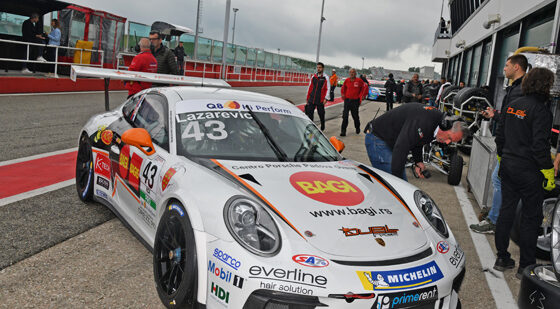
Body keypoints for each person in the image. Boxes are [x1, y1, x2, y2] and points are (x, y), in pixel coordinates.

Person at [493, 67, 555, 279]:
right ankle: (526, 267)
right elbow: (540, 146)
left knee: (506, 211)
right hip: (529, 172)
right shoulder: (541, 110)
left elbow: (499, 136)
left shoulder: (513, 105)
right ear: (545, 85)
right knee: (531, 218)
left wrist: (503, 157)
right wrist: (548, 172)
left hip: (508, 166)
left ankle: (501, 257)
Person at [470, 54, 528, 234]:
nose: (504, 68)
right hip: (508, 147)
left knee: (499, 179)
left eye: (507, 65)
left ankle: (495, 221)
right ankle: (498, 218)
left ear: (517, 67)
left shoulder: (521, 90)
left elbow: (517, 121)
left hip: (512, 148)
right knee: (501, 181)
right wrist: (495, 115)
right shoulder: (516, 88)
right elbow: (511, 117)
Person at [364, 103, 468, 180]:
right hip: (377, 138)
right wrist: (399, 182)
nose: (447, 142)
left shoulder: (436, 125)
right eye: (449, 137)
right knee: (395, 187)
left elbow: (417, 141)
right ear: (445, 125)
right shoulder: (424, 121)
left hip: (390, 141)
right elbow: (401, 148)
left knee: (394, 187)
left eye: (451, 141)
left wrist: (418, 161)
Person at [340, 68, 367, 136]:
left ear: (355, 73)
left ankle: (357, 127)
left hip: (355, 102)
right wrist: (343, 94)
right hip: (347, 101)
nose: (352, 73)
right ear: (349, 73)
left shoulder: (359, 81)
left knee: (355, 116)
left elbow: (365, 87)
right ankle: (343, 131)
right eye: (351, 72)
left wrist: (363, 95)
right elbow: (343, 88)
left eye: (353, 72)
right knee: (345, 116)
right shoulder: (347, 80)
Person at [305, 62, 330, 130]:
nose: (318, 69)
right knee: (310, 113)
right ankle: (311, 127)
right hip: (312, 98)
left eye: (320, 67)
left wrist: (326, 98)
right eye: (317, 67)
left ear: (323, 68)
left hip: (320, 99)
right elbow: (310, 87)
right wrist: (307, 97)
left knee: (321, 114)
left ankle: (322, 124)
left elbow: (328, 88)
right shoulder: (314, 77)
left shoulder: (326, 77)